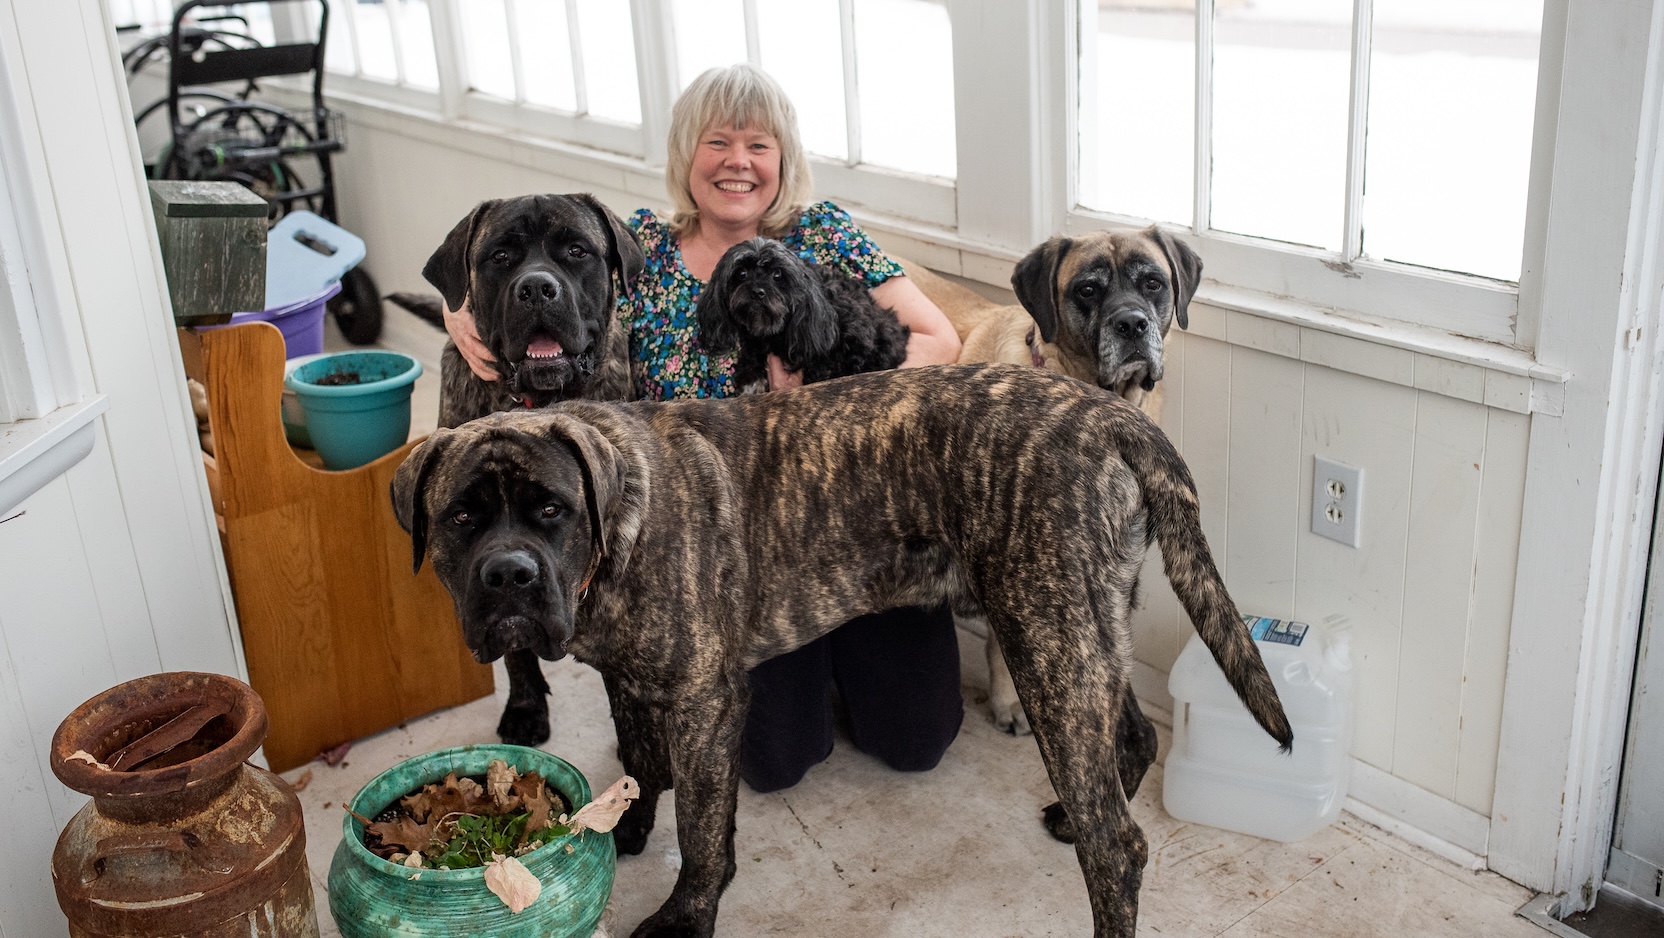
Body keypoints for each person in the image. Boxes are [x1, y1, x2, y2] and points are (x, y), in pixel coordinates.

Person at [442, 64, 965, 793]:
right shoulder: (643, 250)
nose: (738, 162)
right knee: (772, 765)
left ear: (785, 161)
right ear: (687, 156)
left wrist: (818, 392)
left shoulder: (826, 233)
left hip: (855, 519)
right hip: (733, 546)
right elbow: (541, 271)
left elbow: (940, 342)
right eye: (717, 142)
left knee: (919, 742)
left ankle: (853, 657)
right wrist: (461, 307)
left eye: (760, 144)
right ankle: (813, 674)